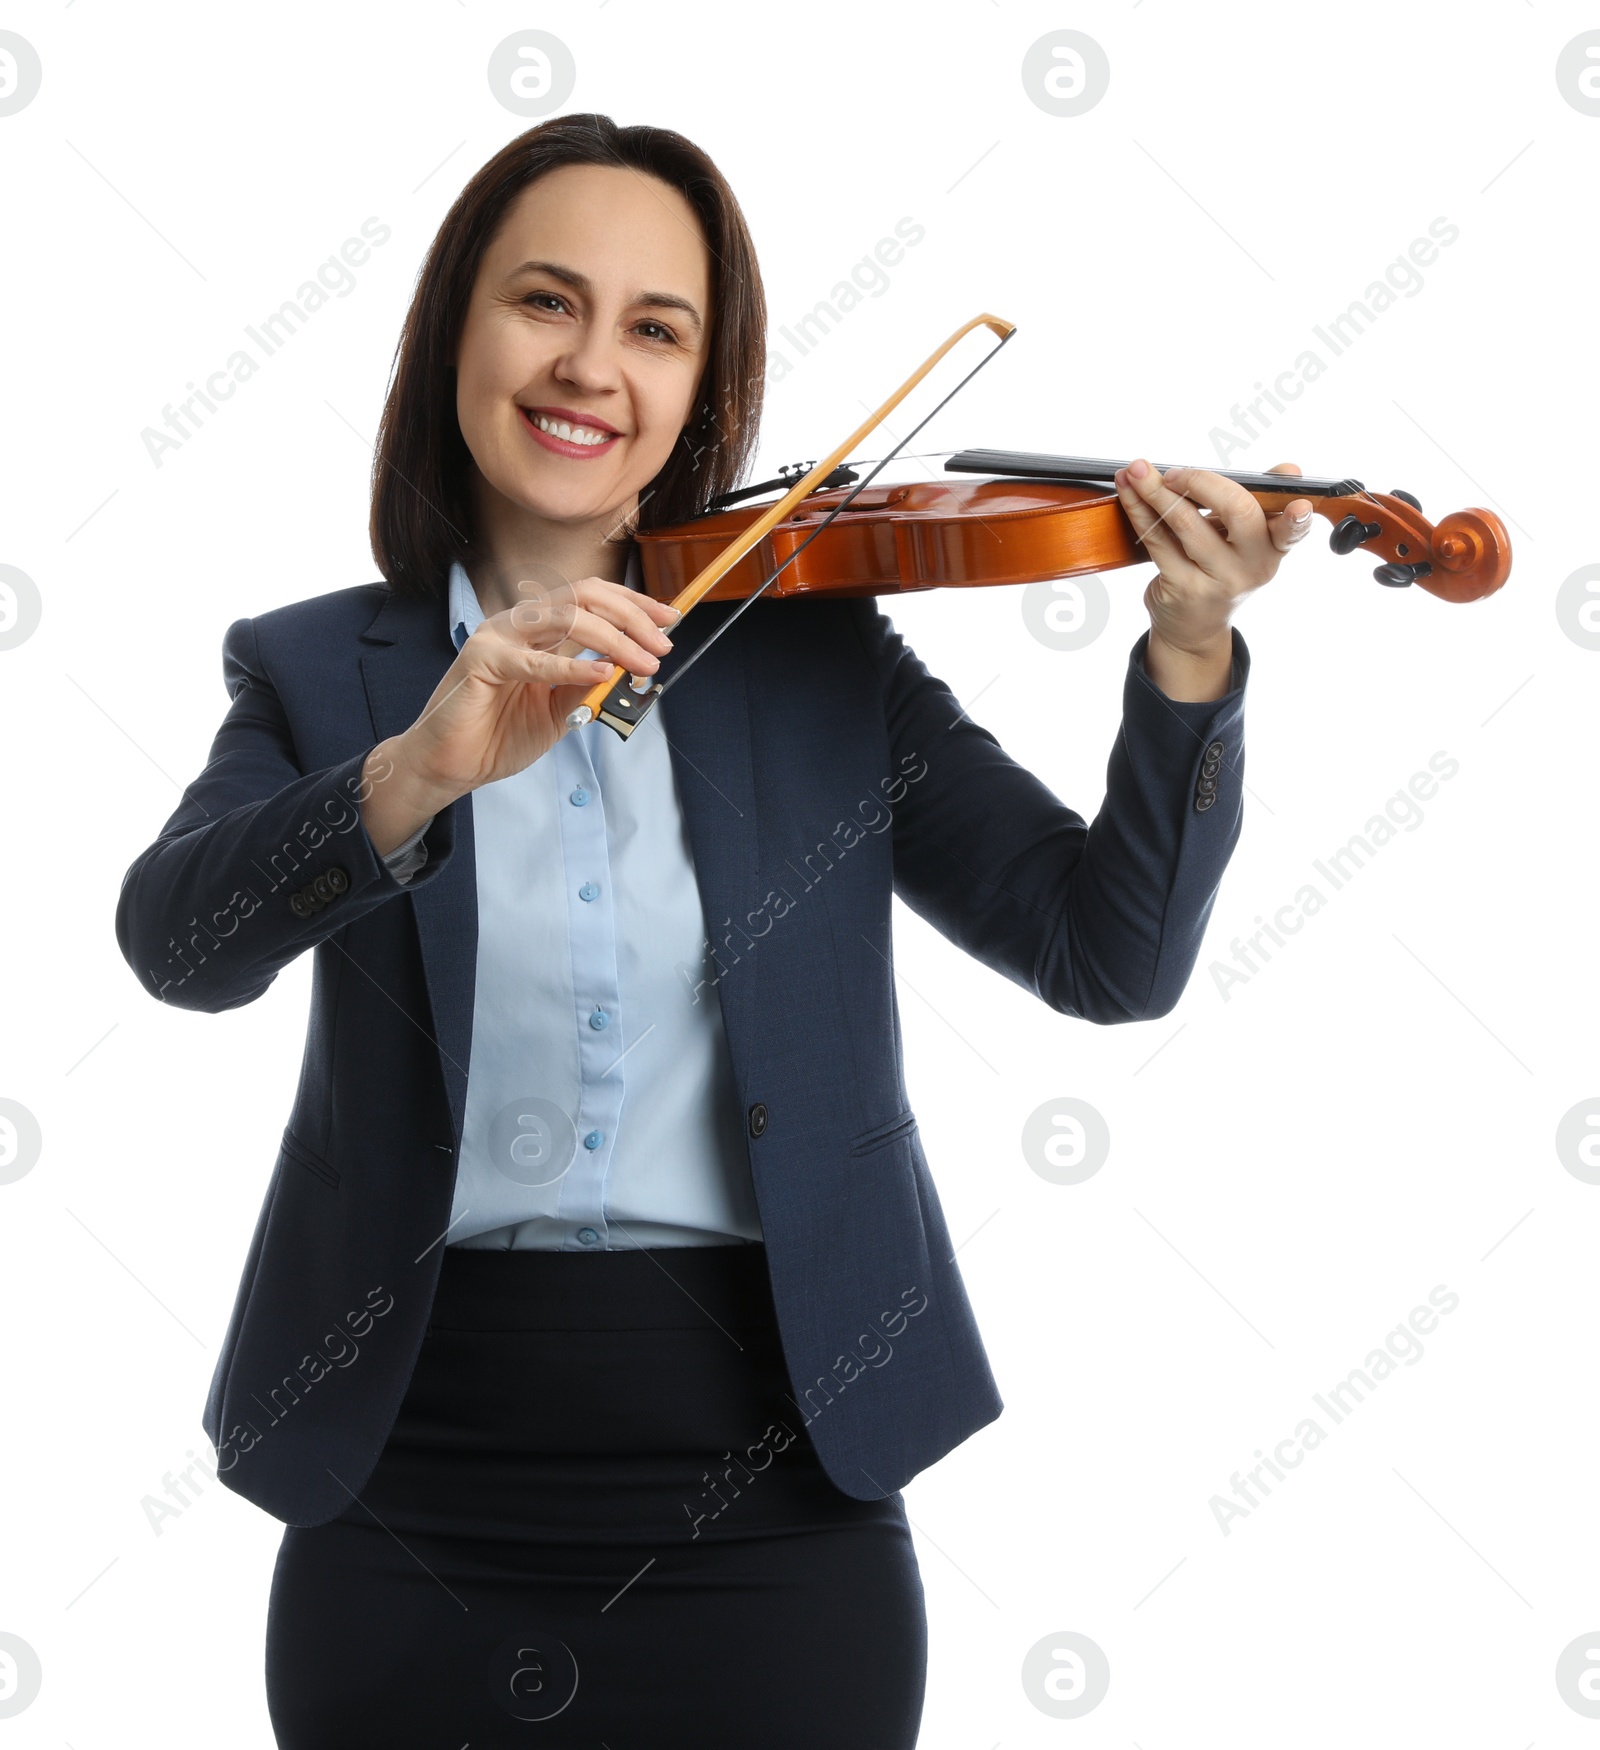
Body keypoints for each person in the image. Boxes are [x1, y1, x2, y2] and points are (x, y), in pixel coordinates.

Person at [116, 112, 1312, 1748]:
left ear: (701, 390)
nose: (592, 364)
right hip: (407, 1474)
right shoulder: (322, 670)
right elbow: (178, 948)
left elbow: (1107, 954)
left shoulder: (817, 656)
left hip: (777, 1474)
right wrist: (414, 772)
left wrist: (1188, 653)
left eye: (656, 328)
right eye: (546, 301)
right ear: (456, 331)